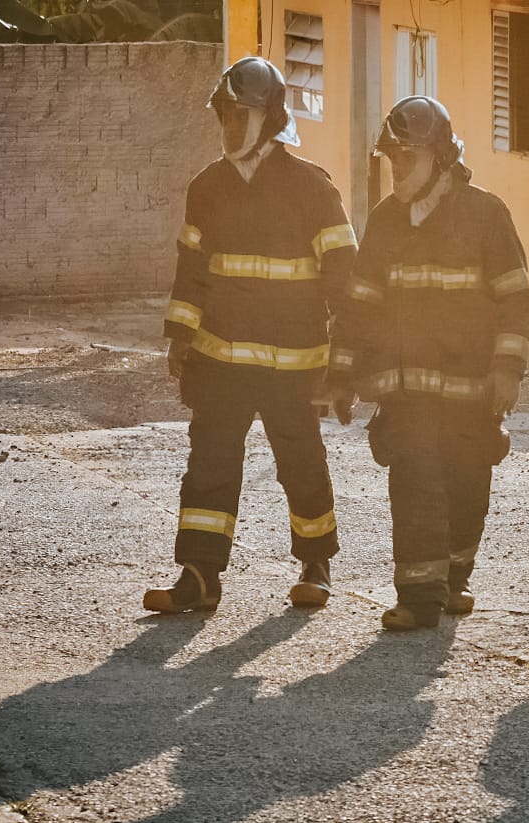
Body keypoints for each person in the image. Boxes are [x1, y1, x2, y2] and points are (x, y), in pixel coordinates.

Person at [144, 57, 357, 614]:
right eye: (224, 116)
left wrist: (347, 362)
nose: (230, 127)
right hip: (219, 359)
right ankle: (199, 575)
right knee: (210, 466)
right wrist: (180, 337)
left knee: (301, 461)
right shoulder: (207, 188)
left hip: (294, 363)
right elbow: (190, 270)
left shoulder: (313, 189)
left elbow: (345, 281)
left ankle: (316, 564)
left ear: (271, 118)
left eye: (241, 115)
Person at [325, 96, 529, 632]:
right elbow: (359, 306)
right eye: (392, 158)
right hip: (405, 394)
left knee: (467, 483)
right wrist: (341, 376)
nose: (396, 168)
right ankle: (419, 597)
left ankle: (454, 575)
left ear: (440, 157)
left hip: (470, 393)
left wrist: (507, 369)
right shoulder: (385, 221)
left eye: (407, 157)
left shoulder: (487, 215)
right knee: (415, 481)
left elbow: (515, 299)